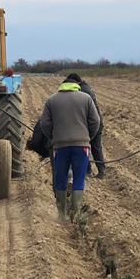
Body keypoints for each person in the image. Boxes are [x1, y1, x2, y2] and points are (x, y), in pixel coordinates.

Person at [40, 78, 101, 223]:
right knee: (79, 178)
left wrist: (54, 137)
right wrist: (87, 137)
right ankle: (76, 213)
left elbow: (44, 124)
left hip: (60, 147)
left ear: (62, 86)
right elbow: (96, 121)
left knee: (60, 179)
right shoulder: (86, 98)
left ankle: (62, 215)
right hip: (82, 146)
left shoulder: (51, 100)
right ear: (76, 86)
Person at [65, 73, 106, 178]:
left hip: (93, 123)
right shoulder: (85, 87)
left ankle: (99, 171)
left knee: (92, 147)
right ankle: (90, 170)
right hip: (93, 122)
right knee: (92, 147)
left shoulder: (83, 91)